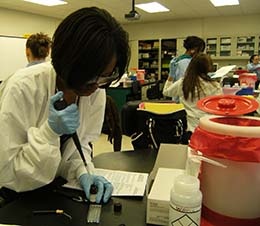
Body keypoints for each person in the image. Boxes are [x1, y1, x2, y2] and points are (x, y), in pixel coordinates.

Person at [0, 7, 130, 204]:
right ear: (67, 60)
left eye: (105, 75)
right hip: (15, 197)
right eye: (91, 74)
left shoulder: (95, 90)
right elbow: (7, 173)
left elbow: (81, 145)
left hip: (56, 190)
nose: (96, 85)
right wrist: (49, 133)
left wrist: (82, 171)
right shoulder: (23, 87)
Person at [163, 53, 222, 132]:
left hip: (190, 128)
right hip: (209, 128)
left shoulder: (184, 82)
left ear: (191, 66)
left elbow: (166, 92)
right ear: (209, 67)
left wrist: (171, 76)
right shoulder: (215, 85)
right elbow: (220, 108)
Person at [164, 36, 205, 102]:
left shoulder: (184, 60)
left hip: (182, 98)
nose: (200, 54)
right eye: (200, 51)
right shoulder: (185, 62)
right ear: (193, 49)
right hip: (183, 100)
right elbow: (187, 82)